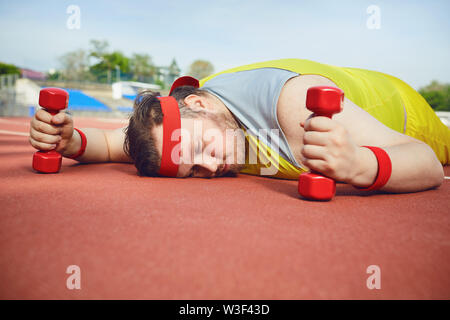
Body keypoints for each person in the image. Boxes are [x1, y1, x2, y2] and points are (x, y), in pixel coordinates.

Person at [29, 59, 450, 193]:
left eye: (203, 152)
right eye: (193, 170)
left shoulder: (296, 108)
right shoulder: (186, 128)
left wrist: (360, 166)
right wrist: (69, 139)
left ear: (196, 103)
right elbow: (111, 144)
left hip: (403, 109)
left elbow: (427, 162)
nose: (210, 167)